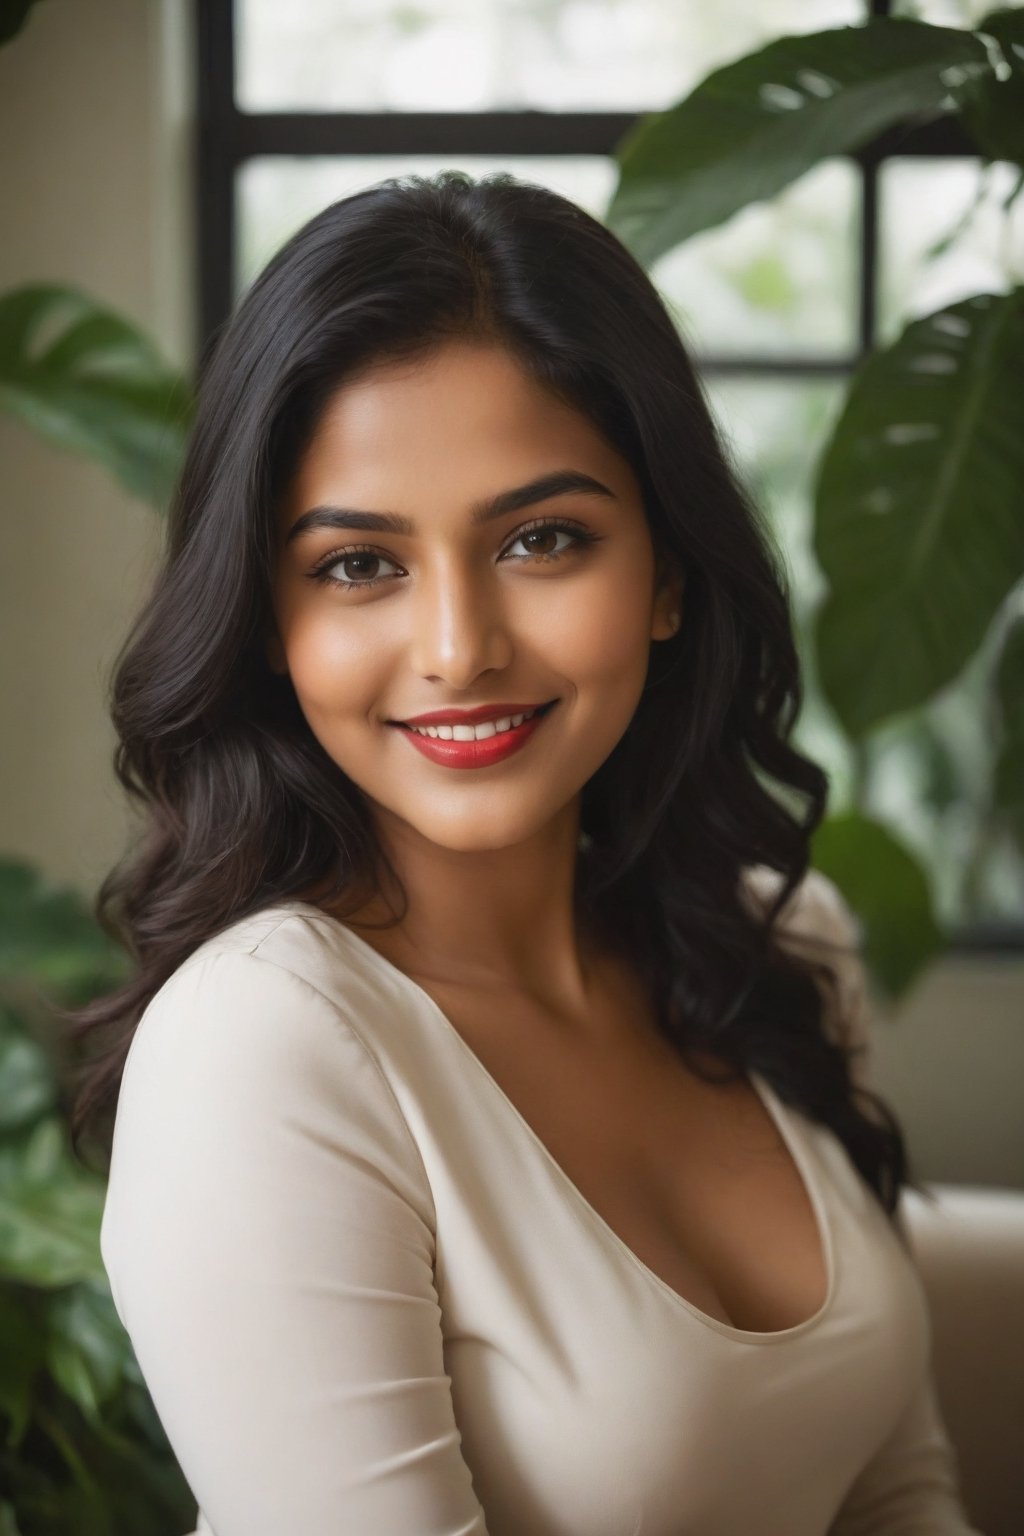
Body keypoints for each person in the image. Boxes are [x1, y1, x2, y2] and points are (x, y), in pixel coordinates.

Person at [71, 170, 982, 1535]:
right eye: (357, 565)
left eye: (542, 539)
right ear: (267, 622)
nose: (458, 649)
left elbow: (898, 1492)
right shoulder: (268, 1047)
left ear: (668, 572)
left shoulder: (774, 945)